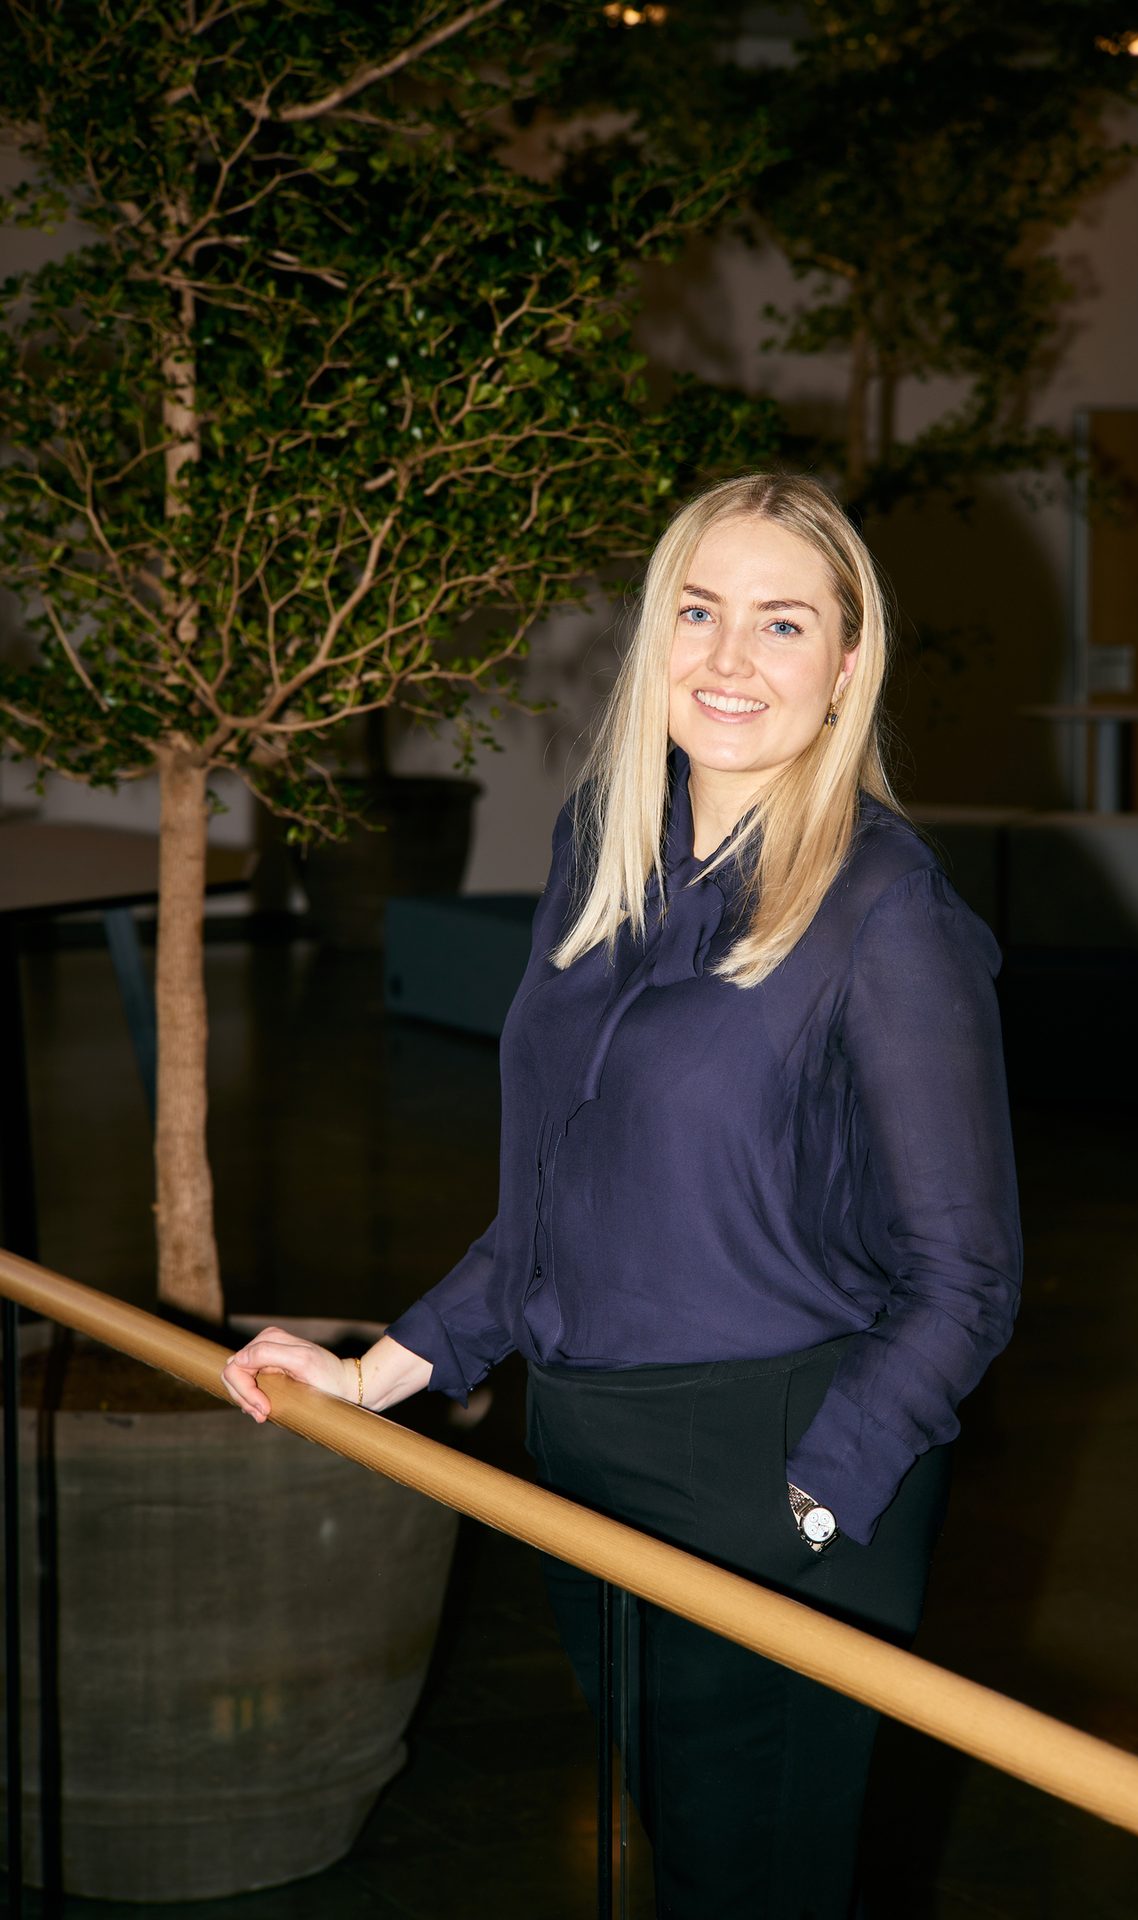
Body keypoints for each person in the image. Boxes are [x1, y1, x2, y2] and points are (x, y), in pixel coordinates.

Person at [223, 471, 1022, 1919]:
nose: (728, 660)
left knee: (758, 1882)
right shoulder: (603, 848)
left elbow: (965, 1278)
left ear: (849, 664)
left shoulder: (886, 911)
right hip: (588, 1455)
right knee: (691, 1857)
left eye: (783, 625)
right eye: (700, 613)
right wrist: (371, 1378)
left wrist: (817, 1506)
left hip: (777, 1461)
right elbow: (552, 1208)